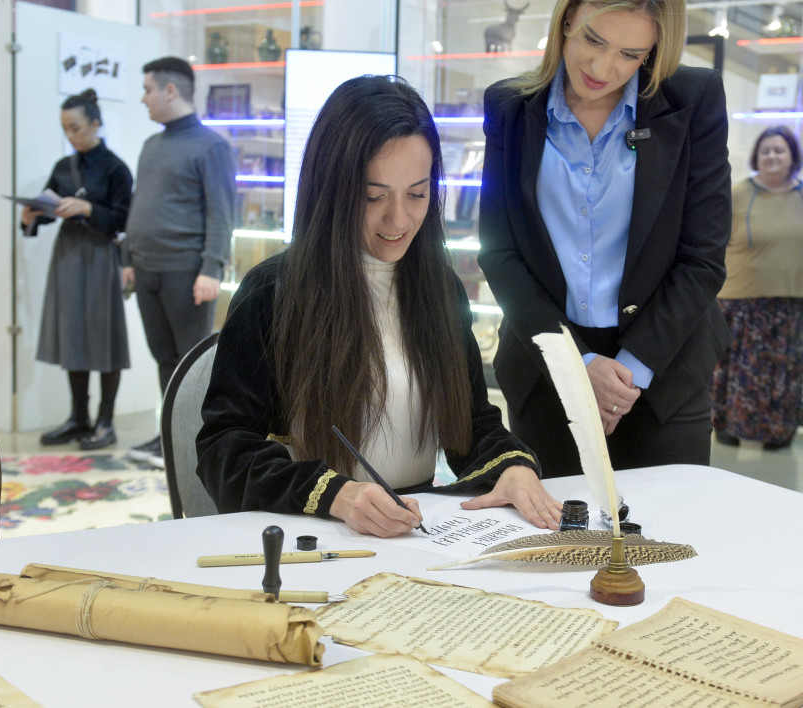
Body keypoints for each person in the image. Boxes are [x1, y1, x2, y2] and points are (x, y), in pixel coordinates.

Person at [196, 75, 563, 538]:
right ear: (332, 189)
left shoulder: (437, 286)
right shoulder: (274, 292)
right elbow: (224, 450)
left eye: (417, 193)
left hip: (413, 529)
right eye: (373, 197)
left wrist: (512, 467)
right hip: (311, 533)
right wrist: (337, 495)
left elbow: (471, 421)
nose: (399, 220)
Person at [478, 0, 732, 479]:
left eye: (630, 53)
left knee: (668, 547)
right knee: (553, 548)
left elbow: (702, 259)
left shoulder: (694, 100)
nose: (602, 68)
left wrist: (628, 373)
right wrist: (578, 365)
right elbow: (500, 253)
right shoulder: (510, 107)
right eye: (594, 40)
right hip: (546, 366)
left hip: (662, 373)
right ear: (568, 15)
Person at [123, 57, 236, 467]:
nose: (143, 98)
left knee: (190, 363)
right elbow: (139, 205)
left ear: (170, 91)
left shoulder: (212, 146)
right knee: (164, 358)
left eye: (147, 89)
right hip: (146, 268)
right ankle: (169, 435)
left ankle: (191, 440)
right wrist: (127, 258)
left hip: (187, 272)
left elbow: (221, 212)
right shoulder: (151, 145)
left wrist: (212, 267)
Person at [22, 89, 133, 451]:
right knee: (72, 333)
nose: (71, 136)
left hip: (101, 256)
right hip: (68, 257)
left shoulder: (116, 168)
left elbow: (123, 219)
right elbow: (45, 208)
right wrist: (30, 217)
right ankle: (78, 418)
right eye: (65, 129)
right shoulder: (62, 167)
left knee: (102, 336)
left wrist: (87, 209)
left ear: (96, 124)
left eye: (77, 128)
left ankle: (105, 421)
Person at [712, 126, 803, 450]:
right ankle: (727, 424)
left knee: (784, 373)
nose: (772, 156)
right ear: (756, 157)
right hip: (742, 300)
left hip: (793, 303)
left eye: (779, 150)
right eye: (766, 151)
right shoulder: (739, 193)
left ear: (793, 156)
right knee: (738, 370)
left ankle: (778, 430)